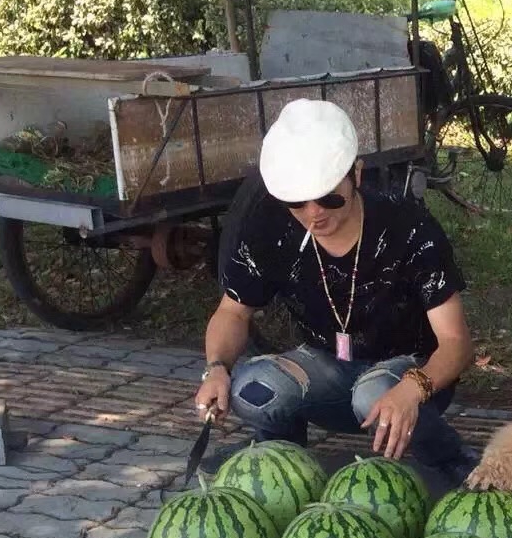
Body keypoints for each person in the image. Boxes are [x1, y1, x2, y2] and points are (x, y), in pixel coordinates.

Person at [194, 98, 479, 485]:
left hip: (407, 372)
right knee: (250, 387)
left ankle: (447, 455)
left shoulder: (407, 226)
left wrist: (413, 390)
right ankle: (279, 455)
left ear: (356, 174)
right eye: (297, 201)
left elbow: (457, 344)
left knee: (372, 393)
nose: (314, 212)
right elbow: (233, 312)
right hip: (326, 367)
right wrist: (215, 369)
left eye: (328, 196)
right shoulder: (270, 226)